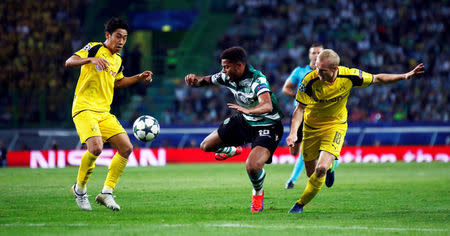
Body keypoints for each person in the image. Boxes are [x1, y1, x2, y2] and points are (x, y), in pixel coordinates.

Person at [286, 49, 424, 213]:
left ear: (334, 68)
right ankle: (330, 168)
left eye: (322, 70)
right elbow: (299, 109)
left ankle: (300, 204)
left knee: (320, 169)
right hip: (311, 128)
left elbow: (377, 78)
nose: (317, 73)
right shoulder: (308, 81)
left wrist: (404, 76)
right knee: (311, 174)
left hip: (335, 126)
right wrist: (293, 132)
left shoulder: (350, 75)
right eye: (316, 68)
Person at [65, 17, 153, 211]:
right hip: (84, 108)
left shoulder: (118, 60)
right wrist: (90, 59)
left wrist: (139, 77)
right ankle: (79, 190)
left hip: (104, 112)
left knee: (126, 148)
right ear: (108, 35)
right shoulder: (94, 48)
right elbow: (69, 61)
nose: (121, 41)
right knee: (96, 148)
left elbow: (118, 82)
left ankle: (106, 193)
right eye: (118, 37)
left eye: (125, 38)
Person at [185, 46, 284, 212]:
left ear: (239, 65)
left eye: (227, 66)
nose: (223, 70)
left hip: (268, 125)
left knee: (252, 167)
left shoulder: (257, 80)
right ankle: (232, 150)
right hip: (244, 121)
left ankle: (257, 193)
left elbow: (267, 105)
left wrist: (249, 110)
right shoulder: (226, 76)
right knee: (206, 146)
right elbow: (205, 81)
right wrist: (194, 80)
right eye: (223, 66)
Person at [282, 43, 340, 190]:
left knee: (308, 149)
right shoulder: (300, 72)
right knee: (294, 151)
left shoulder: (329, 72)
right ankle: (328, 165)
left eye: (318, 52)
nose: (315, 55)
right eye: (313, 53)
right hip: (301, 113)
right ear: (309, 55)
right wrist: (300, 95)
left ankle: (292, 180)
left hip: (320, 116)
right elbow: (285, 88)